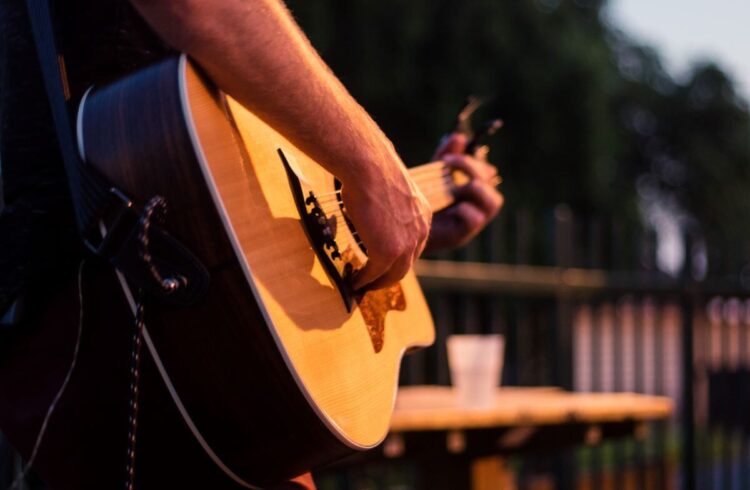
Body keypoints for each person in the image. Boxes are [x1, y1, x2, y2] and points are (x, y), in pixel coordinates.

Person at [0, 0, 503, 488]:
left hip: (176, 328)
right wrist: (372, 168)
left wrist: (390, 232)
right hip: (126, 332)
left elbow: (232, 209)